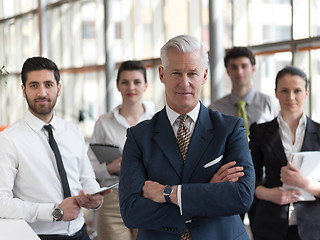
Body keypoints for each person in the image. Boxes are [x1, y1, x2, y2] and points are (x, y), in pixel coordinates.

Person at [119, 34, 255, 240]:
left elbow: (241, 197)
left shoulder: (230, 128)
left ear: (205, 75)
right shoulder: (139, 136)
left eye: (192, 73)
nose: (185, 82)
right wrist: (209, 194)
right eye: (176, 73)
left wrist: (169, 193)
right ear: (162, 74)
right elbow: (132, 212)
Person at [0, 57, 110, 240]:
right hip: (38, 236)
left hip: (80, 232)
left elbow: (86, 178)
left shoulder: (73, 131)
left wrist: (94, 197)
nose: (42, 92)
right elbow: (1, 203)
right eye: (34, 85)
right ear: (23, 90)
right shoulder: (8, 140)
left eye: (48, 84)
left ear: (58, 89)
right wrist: (54, 212)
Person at [249, 66, 320, 240]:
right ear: (276, 93)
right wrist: (267, 193)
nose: (291, 97)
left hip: (313, 228)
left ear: (306, 92)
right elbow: (249, 178)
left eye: (297, 90)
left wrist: (304, 184)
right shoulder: (260, 132)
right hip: (269, 226)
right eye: (284, 90)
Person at [88, 60, 153, 240]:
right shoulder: (104, 122)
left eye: (137, 82)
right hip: (113, 200)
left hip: (149, 198)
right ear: (117, 85)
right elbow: (88, 165)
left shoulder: (157, 121)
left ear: (146, 85)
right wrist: (109, 168)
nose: (131, 87)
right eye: (125, 82)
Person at [210, 47, 279, 136]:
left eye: (244, 66)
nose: (239, 72)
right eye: (234, 67)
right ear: (227, 71)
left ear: (253, 69)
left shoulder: (270, 104)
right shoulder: (215, 109)